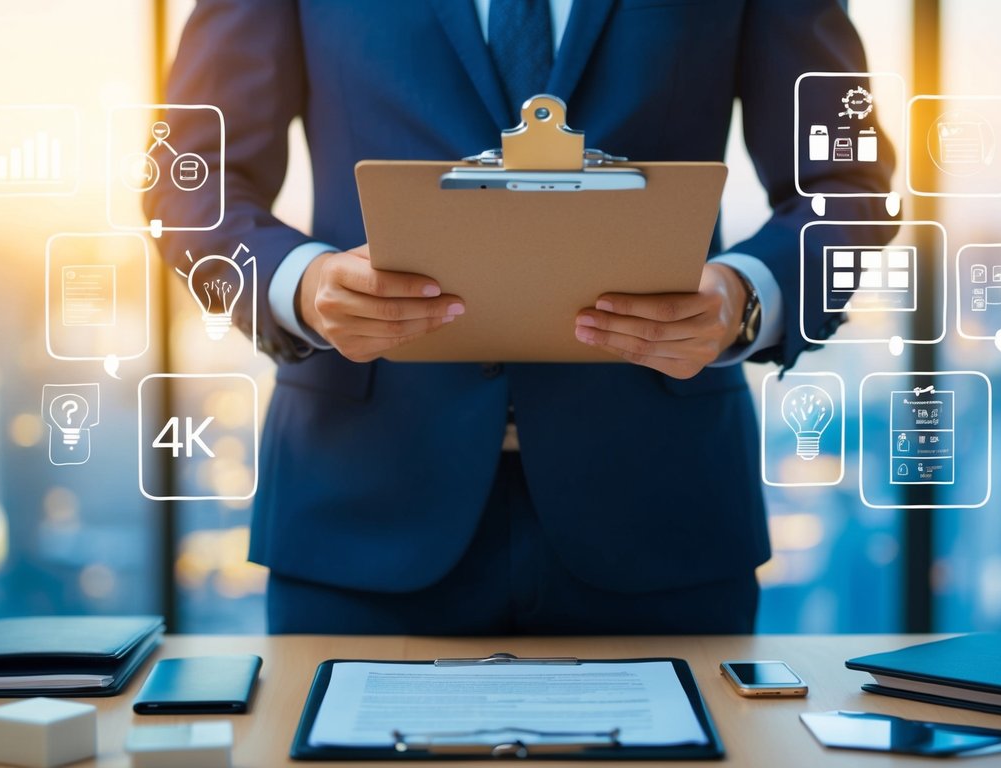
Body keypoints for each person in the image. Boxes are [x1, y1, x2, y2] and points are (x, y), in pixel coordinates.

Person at [147, 0, 893, 635]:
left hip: (661, 511)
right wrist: (301, 284)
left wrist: (744, 296)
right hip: (360, 508)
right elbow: (187, 177)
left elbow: (851, 183)